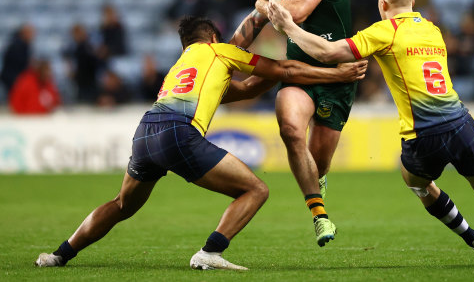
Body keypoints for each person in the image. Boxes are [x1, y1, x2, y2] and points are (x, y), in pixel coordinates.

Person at [267, 0, 474, 268]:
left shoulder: (384, 31)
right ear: (413, 2)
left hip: (423, 135)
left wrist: (289, 26)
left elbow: (328, 53)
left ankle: (472, 238)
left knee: (415, 180)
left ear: (382, 4)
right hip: (459, 123)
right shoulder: (433, 29)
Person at [35, 16, 367, 271]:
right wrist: (337, 75)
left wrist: (275, 73)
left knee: (122, 204)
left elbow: (245, 90)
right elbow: (284, 68)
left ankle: (58, 256)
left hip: (146, 132)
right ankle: (210, 252)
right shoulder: (218, 51)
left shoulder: (181, 66)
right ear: (212, 37)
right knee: (256, 190)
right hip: (179, 133)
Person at [230, 0, 356, 246]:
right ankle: (319, 215)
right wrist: (224, 54)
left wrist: (264, 7)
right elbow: (255, 20)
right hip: (299, 72)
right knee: (289, 129)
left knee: (319, 162)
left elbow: (297, 12)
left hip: (337, 77)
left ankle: (319, 177)